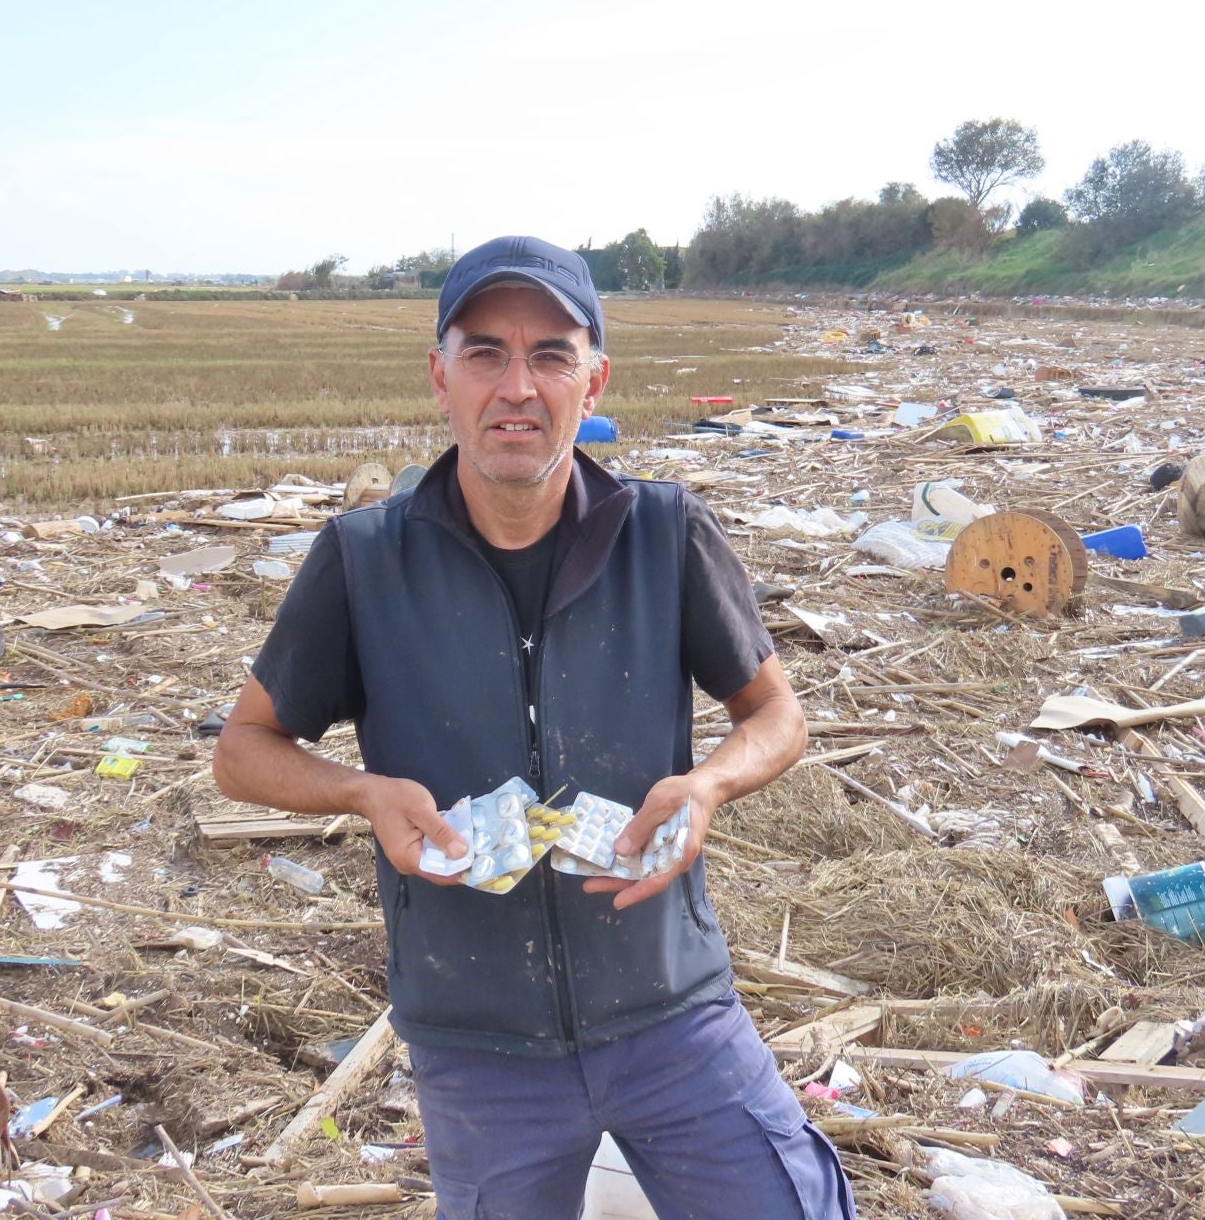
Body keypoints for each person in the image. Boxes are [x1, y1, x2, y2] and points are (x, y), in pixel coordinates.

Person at [212, 235, 854, 1219]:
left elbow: (776, 713)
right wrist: (359, 790)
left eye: (552, 354)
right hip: (476, 1040)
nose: (519, 385)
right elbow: (242, 750)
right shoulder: (364, 559)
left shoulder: (664, 535)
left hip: (672, 1009)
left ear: (593, 381)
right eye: (486, 353)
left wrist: (710, 783)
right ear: (441, 377)